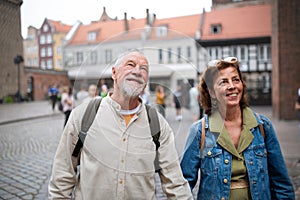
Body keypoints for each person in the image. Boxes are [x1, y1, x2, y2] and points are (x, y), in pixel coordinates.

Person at [49, 50, 193, 199]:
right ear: (114, 73)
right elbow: (62, 175)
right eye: (130, 64)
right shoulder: (84, 115)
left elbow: (175, 183)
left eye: (144, 69)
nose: (137, 71)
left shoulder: (157, 123)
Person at [180, 57, 295, 199]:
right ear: (211, 92)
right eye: (223, 82)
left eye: (236, 80)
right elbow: (183, 185)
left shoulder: (262, 126)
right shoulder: (200, 131)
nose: (232, 86)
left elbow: (281, 182)